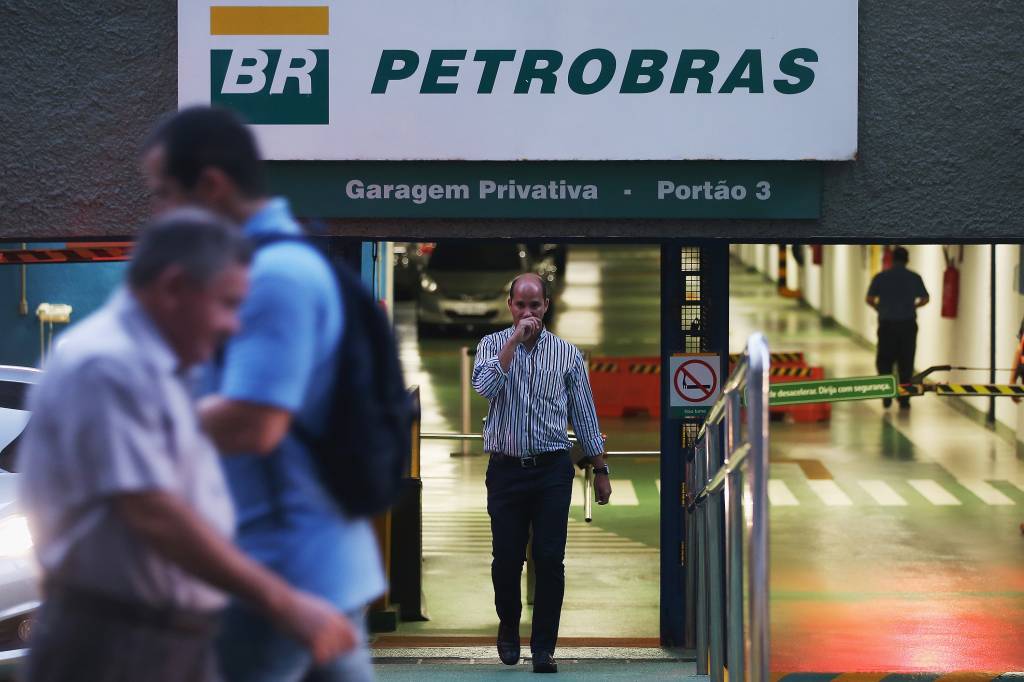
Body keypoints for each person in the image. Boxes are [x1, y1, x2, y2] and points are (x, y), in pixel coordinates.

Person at [18, 210, 356, 682]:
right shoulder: (106, 365)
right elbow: (151, 510)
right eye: (226, 303)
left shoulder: (166, 368)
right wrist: (282, 601)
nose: (233, 325)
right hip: (117, 644)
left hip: (167, 636)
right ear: (174, 288)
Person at [142, 106, 384, 682]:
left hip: (277, 570)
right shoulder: (264, 264)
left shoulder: (273, 276)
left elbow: (256, 421)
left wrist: (141, 426)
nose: (158, 215)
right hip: (309, 561)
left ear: (212, 186)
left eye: (163, 194)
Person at [472, 273, 612, 674]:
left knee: (550, 559)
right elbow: (483, 387)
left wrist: (600, 469)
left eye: (535, 305)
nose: (528, 313)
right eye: (521, 305)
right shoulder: (490, 346)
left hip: (552, 469)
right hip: (506, 471)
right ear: (510, 305)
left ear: (546, 306)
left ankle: (544, 647)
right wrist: (513, 342)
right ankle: (508, 625)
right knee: (507, 559)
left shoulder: (567, 355)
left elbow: (584, 414)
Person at [865, 247, 929, 409]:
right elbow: (925, 298)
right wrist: (913, 307)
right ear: (907, 260)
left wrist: (880, 308)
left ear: (891, 259)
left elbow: (869, 298)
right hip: (907, 325)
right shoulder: (914, 277)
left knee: (885, 361)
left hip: (887, 325)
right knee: (906, 362)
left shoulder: (881, 277)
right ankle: (904, 398)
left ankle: (886, 394)